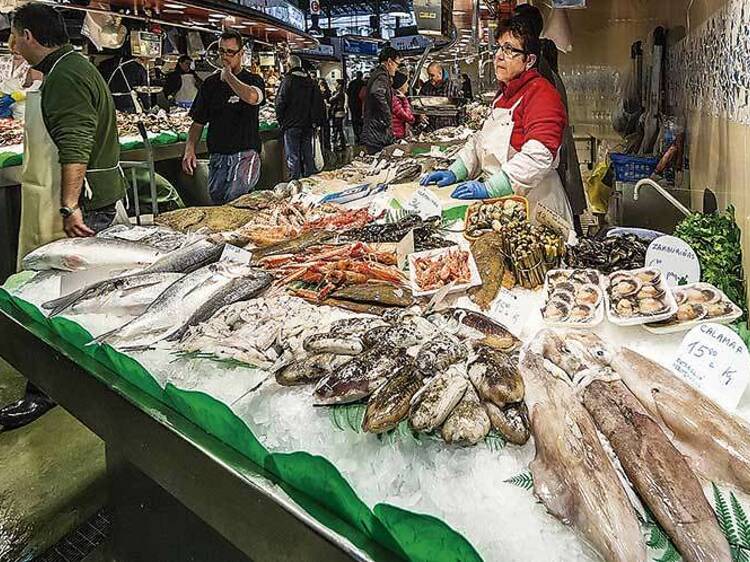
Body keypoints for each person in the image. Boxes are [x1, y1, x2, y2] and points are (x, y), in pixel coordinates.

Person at [2, 2, 127, 431]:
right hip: (90, 198)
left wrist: (70, 206)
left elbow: (75, 144)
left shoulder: (67, 76)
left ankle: (47, 391)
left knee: (60, 297)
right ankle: (74, 380)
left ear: (31, 36)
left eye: (14, 35)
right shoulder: (70, 68)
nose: (12, 44)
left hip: (82, 205)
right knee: (85, 295)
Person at [420, 17, 572, 224]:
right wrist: (457, 169)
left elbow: (539, 155)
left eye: (509, 50)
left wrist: (493, 187)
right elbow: (482, 140)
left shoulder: (542, 94)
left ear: (529, 60)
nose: (499, 56)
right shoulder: (503, 96)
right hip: (505, 205)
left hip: (536, 206)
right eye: (499, 48)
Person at [515, 4, 586, 232]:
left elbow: (540, 146)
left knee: (557, 228)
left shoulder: (539, 76)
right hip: (550, 171)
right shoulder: (542, 65)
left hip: (547, 174)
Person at [182, 30, 265, 205]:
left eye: (230, 52)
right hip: (218, 157)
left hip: (245, 155)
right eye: (221, 51)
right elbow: (198, 122)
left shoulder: (254, 80)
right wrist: (189, 149)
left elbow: (252, 97)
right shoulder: (210, 85)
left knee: (236, 202)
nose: (225, 56)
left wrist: (229, 77)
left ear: (241, 53)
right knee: (218, 201)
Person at [275, 55, 324, 179]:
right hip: (307, 125)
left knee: (293, 157)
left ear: (290, 66)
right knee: (308, 155)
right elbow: (318, 103)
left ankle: (295, 184)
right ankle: (311, 183)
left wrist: (282, 121)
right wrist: (315, 122)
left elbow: (280, 102)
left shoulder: (288, 80)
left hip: (292, 125)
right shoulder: (311, 82)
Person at [361, 46, 401, 155]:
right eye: (397, 64)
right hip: (376, 134)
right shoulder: (382, 75)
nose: (397, 68)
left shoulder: (378, 74)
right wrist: (387, 116)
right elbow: (377, 92)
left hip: (374, 131)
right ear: (389, 62)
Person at [419, 62, 460, 130]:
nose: (430, 78)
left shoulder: (452, 86)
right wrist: (421, 114)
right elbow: (419, 102)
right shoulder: (426, 86)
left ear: (440, 73)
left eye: (432, 75)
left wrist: (460, 127)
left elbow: (460, 107)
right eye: (429, 75)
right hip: (431, 128)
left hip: (449, 127)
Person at [391, 71, 415, 140]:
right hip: (396, 135)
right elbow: (408, 117)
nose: (407, 86)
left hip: (398, 133)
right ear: (401, 86)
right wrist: (405, 100)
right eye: (406, 83)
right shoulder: (394, 100)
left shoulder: (397, 98)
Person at [346, 70, 365, 142]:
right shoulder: (363, 83)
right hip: (360, 104)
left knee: (354, 119)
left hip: (353, 103)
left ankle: (356, 134)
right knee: (361, 119)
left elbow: (348, 92)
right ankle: (361, 134)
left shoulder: (352, 83)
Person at [330, 79, 347, 150]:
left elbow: (331, 99)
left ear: (340, 85)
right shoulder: (339, 93)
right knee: (339, 129)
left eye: (336, 84)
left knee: (338, 129)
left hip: (338, 113)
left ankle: (340, 144)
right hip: (338, 112)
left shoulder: (339, 93)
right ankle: (341, 144)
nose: (335, 85)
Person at [318, 78, 332, 153]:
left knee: (326, 129)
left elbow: (329, 103)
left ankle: (326, 143)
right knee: (325, 129)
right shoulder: (320, 93)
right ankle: (326, 143)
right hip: (324, 115)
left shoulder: (326, 93)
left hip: (325, 114)